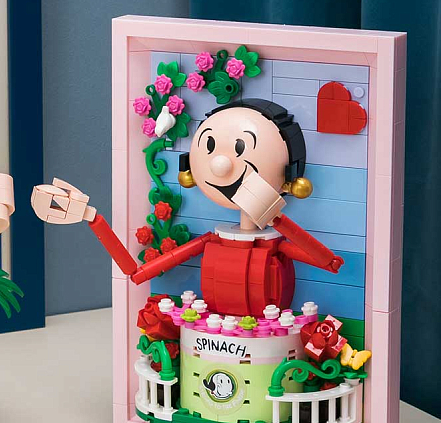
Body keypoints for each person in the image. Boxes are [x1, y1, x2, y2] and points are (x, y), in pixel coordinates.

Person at [32, 99, 344, 318]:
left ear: (290, 171)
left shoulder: (274, 245)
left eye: (238, 149)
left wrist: (273, 216)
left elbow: (329, 263)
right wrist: (93, 219)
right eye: (210, 148)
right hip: (209, 337)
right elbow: (137, 274)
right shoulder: (211, 241)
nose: (221, 165)